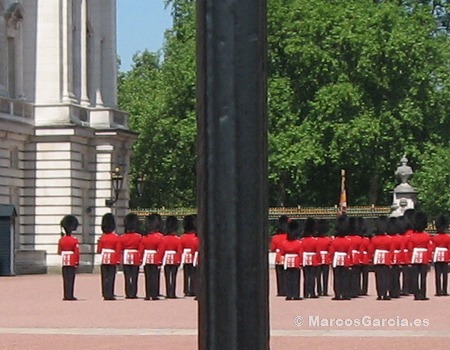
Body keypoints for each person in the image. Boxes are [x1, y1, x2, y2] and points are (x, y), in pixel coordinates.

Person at [408, 211, 433, 301]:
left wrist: (410, 259)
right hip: (424, 257)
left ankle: (416, 294)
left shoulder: (412, 236)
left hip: (414, 256)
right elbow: (430, 249)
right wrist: (429, 259)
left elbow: (410, 248)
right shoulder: (427, 236)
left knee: (415, 277)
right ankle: (422, 294)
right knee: (423, 277)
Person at [139, 213, 164, 300]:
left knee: (147, 277)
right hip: (155, 257)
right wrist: (160, 260)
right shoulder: (159, 237)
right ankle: (154, 294)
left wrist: (141, 259)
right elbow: (160, 250)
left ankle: (148, 294)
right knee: (154, 276)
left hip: (146, 258)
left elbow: (141, 249)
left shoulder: (144, 237)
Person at [97, 213, 121, 301]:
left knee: (104, 277)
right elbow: (118, 250)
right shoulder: (115, 237)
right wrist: (118, 260)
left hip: (104, 258)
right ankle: (110, 294)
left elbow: (99, 250)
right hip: (112, 258)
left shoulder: (101, 237)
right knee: (111, 277)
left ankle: (104, 293)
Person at [158, 216, 182, 299]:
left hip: (166, 259)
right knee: (174, 277)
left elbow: (161, 250)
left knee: (167, 276)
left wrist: (159, 260)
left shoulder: (163, 239)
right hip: (174, 258)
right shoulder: (178, 239)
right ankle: (173, 293)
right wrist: (179, 260)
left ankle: (168, 292)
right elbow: (179, 251)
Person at [369, 216, 391, 300]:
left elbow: (371, 250)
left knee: (378, 276)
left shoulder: (374, 239)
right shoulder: (389, 239)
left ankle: (379, 294)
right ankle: (385, 294)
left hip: (377, 257)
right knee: (386, 276)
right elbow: (391, 250)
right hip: (386, 257)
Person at [57, 215, 80, 301]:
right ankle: (70, 295)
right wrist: (77, 262)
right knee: (71, 279)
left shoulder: (61, 239)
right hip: (71, 260)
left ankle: (66, 295)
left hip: (64, 260)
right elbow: (76, 252)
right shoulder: (74, 240)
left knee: (65, 279)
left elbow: (59, 252)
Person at [120, 213, 142, 299]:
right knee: (134, 276)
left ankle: (128, 293)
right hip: (135, 256)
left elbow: (121, 248)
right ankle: (133, 293)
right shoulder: (138, 237)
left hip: (126, 256)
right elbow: (140, 249)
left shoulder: (122, 237)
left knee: (127, 276)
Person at [280, 219, 303, 300]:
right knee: (296, 279)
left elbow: (282, 253)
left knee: (288, 278)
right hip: (296, 261)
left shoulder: (284, 243)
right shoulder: (298, 243)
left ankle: (289, 295)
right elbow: (300, 254)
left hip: (287, 261)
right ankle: (296, 294)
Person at [329, 215, 351, 301]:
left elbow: (331, 252)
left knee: (337, 277)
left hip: (336, 259)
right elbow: (349, 252)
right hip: (345, 259)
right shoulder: (348, 241)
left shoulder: (334, 241)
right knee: (345, 277)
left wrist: (331, 261)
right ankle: (345, 294)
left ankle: (338, 294)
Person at [180, 214, 200, 297]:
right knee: (194, 274)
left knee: (186, 274)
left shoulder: (182, 237)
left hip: (185, 256)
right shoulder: (195, 237)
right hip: (194, 256)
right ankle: (193, 289)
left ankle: (186, 289)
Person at [270, 215, 289, 296]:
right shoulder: (288, 237)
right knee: (287, 275)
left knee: (279, 275)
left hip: (278, 257)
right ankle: (287, 290)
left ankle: (280, 291)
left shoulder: (275, 237)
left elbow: (272, 248)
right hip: (287, 257)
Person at [432, 214, 450, 296]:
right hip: (446, 255)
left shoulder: (435, 237)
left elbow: (432, 248)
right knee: (445, 274)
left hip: (437, 255)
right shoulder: (448, 237)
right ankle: (445, 291)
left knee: (438, 274)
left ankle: (438, 291)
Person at [301, 217, 318, 298]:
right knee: (312, 276)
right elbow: (317, 251)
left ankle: (306, 292)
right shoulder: (315, 240)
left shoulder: (302, 240)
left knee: (306, 276)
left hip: (305, 258)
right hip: (313, 258)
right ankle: (312, 292)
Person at [346, 217, 363, 298]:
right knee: (356, 275)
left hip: (347, 257)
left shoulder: (347, 238)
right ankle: (355, 291)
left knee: (348, 276)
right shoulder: (359, 239)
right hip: (356, 257)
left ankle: (348, 290)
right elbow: (361, 250)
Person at [315, 219, 331, 296]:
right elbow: (330, 250)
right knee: (325, 276)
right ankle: (325, 291)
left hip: (317, 258)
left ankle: (319, 290)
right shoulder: (328, 240)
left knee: (318, 276)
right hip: (326, 258)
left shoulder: (315, 240)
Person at [357, 217, 371, 296]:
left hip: (357, 257)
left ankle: (358, 289)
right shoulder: (366, 240)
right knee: (365, 275)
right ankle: (364, 290)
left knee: (357, 274)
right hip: (365, 257)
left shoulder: (356, 239)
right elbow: (369, 250)